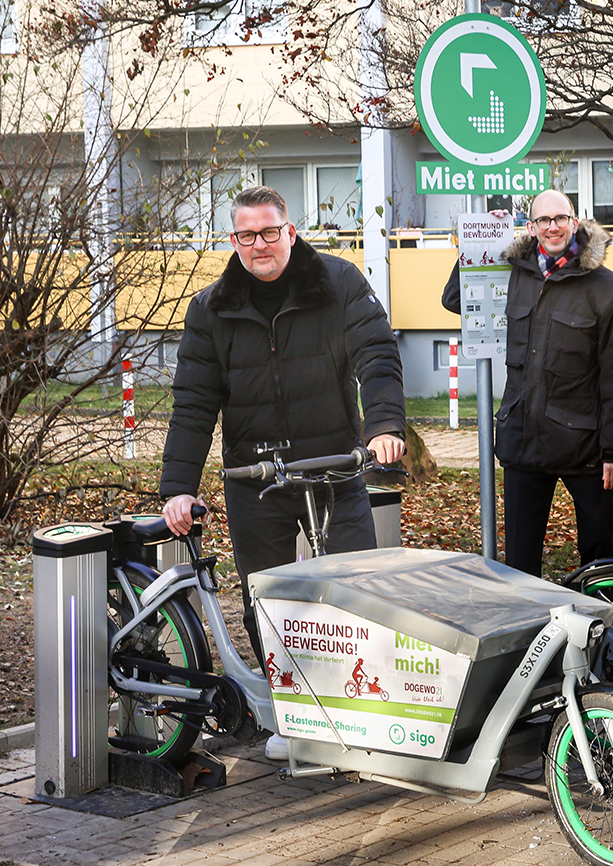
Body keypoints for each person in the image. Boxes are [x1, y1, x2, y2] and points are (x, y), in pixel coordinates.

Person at [160, 185, 406, 759]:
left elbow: (377, 354)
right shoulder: (211, 308)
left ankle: (364, 711)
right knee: (266, 599)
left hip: (332, 465)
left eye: (269, 231)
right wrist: (177, 487)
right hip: (256, 474)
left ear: (290, 232)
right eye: (246, 235)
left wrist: (384, 427)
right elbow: (193, 402)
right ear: (234, 240)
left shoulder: (338, 283)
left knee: (358, 589)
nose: (259, 244)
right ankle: (289, 716)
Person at [442, 190, 613, 577]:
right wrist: (480, 239)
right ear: (531, 228)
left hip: (585, 447)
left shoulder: (606, 287)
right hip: (523, 439)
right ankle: (527, 631)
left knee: (599, 552)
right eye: (543, 221)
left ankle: (600, 627)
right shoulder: (512, 272)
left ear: (574, 222)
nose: (553, 227)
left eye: (560, 218)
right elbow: (453, 297)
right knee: (520, 558)